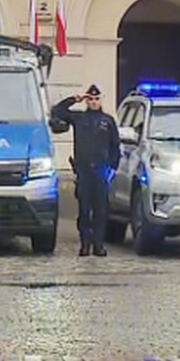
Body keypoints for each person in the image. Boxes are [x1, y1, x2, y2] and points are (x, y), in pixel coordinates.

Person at [52, 84, 120, 257]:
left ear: (101, 100)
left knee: (101, 211)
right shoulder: (79, 118)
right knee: (84, 210)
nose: (93, 102)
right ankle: (85, 244)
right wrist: (75, 99)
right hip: (83, 171)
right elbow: (58, 111)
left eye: (96, 99)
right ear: (86, 100)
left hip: (101, 170)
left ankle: (99, 244)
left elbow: (115, 147)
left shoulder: (108, 121)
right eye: (90, 99)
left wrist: (112, 169)